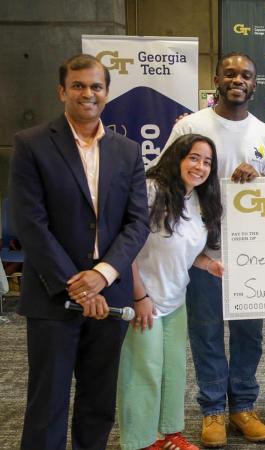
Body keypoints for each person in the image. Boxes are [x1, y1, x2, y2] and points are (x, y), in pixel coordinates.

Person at [10, 53, 149, 449]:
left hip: (111, 296)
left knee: (99, 402)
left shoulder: (127, 150)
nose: (87, 93)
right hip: (53, 295)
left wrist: (102, 275)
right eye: (78, 86)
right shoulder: (31, 144)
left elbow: (137, 223)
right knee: (48, 402)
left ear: (107, 92)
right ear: (62, 91)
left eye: (96, 86)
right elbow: (29, 224)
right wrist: (78, 287)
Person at [164, 52, 265, 447]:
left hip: (253, 256)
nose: (238, 79)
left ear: (255, 84)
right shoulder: (190, 125)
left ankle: (243, 407)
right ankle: (213, 409)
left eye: (246, 75)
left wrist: (261, 178)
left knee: (249, 335)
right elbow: (167, 176)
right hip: (203, 255)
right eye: (231, 73)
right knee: (206, 333)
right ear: (217, 79)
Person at [117, 134, 223, 450]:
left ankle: (169, 434)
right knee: (143, 373)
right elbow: (127, 250)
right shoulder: (151, 190)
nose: (200, 166)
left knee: (173, 371)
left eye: (207, 162)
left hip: (176, 299)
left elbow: (186, 252)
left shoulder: (198, 199)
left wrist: (208, 265)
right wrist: (139, 297)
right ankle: (140, 441)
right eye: (194, 157)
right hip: (143, 300)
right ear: (176, 157)